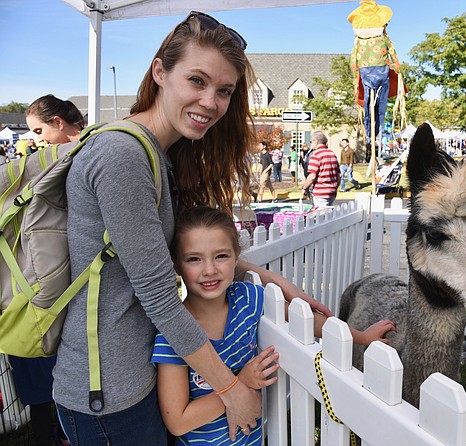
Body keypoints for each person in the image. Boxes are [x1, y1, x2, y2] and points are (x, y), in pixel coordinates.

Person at [52, 12, 332, 446]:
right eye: (197, 81)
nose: (210, 102)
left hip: (133, 377)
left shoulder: (156, 154)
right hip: (108, 391)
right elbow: (161, 295)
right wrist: (232, 389)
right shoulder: (121, 156)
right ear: (160, 72)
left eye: (224, 91)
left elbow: (205, 258)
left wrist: (288, 291)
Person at [152, 207, 395, 444]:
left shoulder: (247, 298)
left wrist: (361, 337)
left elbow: (306, 321)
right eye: (194, 259)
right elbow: (178, 422)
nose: (209, 270)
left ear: (237, 257)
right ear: (176, 264)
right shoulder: (174, 334)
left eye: (221, 256)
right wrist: (242, 383)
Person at [6, 94, 86, 446]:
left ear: (58, 122)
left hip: (53, 287)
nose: (36, 140)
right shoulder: (53, 161)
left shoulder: (81, 153)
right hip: (50, 284)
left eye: (39, 130)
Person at [301, 130, 340, 207]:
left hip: (320, 192)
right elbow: (339, 175)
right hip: (332, 192)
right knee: (330, 216)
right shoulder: (332, 154)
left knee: (320, 216)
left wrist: (304, 187)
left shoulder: (316, 155)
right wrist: (335, 187)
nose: (311, 144)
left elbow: (312, 176)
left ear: (315, 141)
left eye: (311, 141)